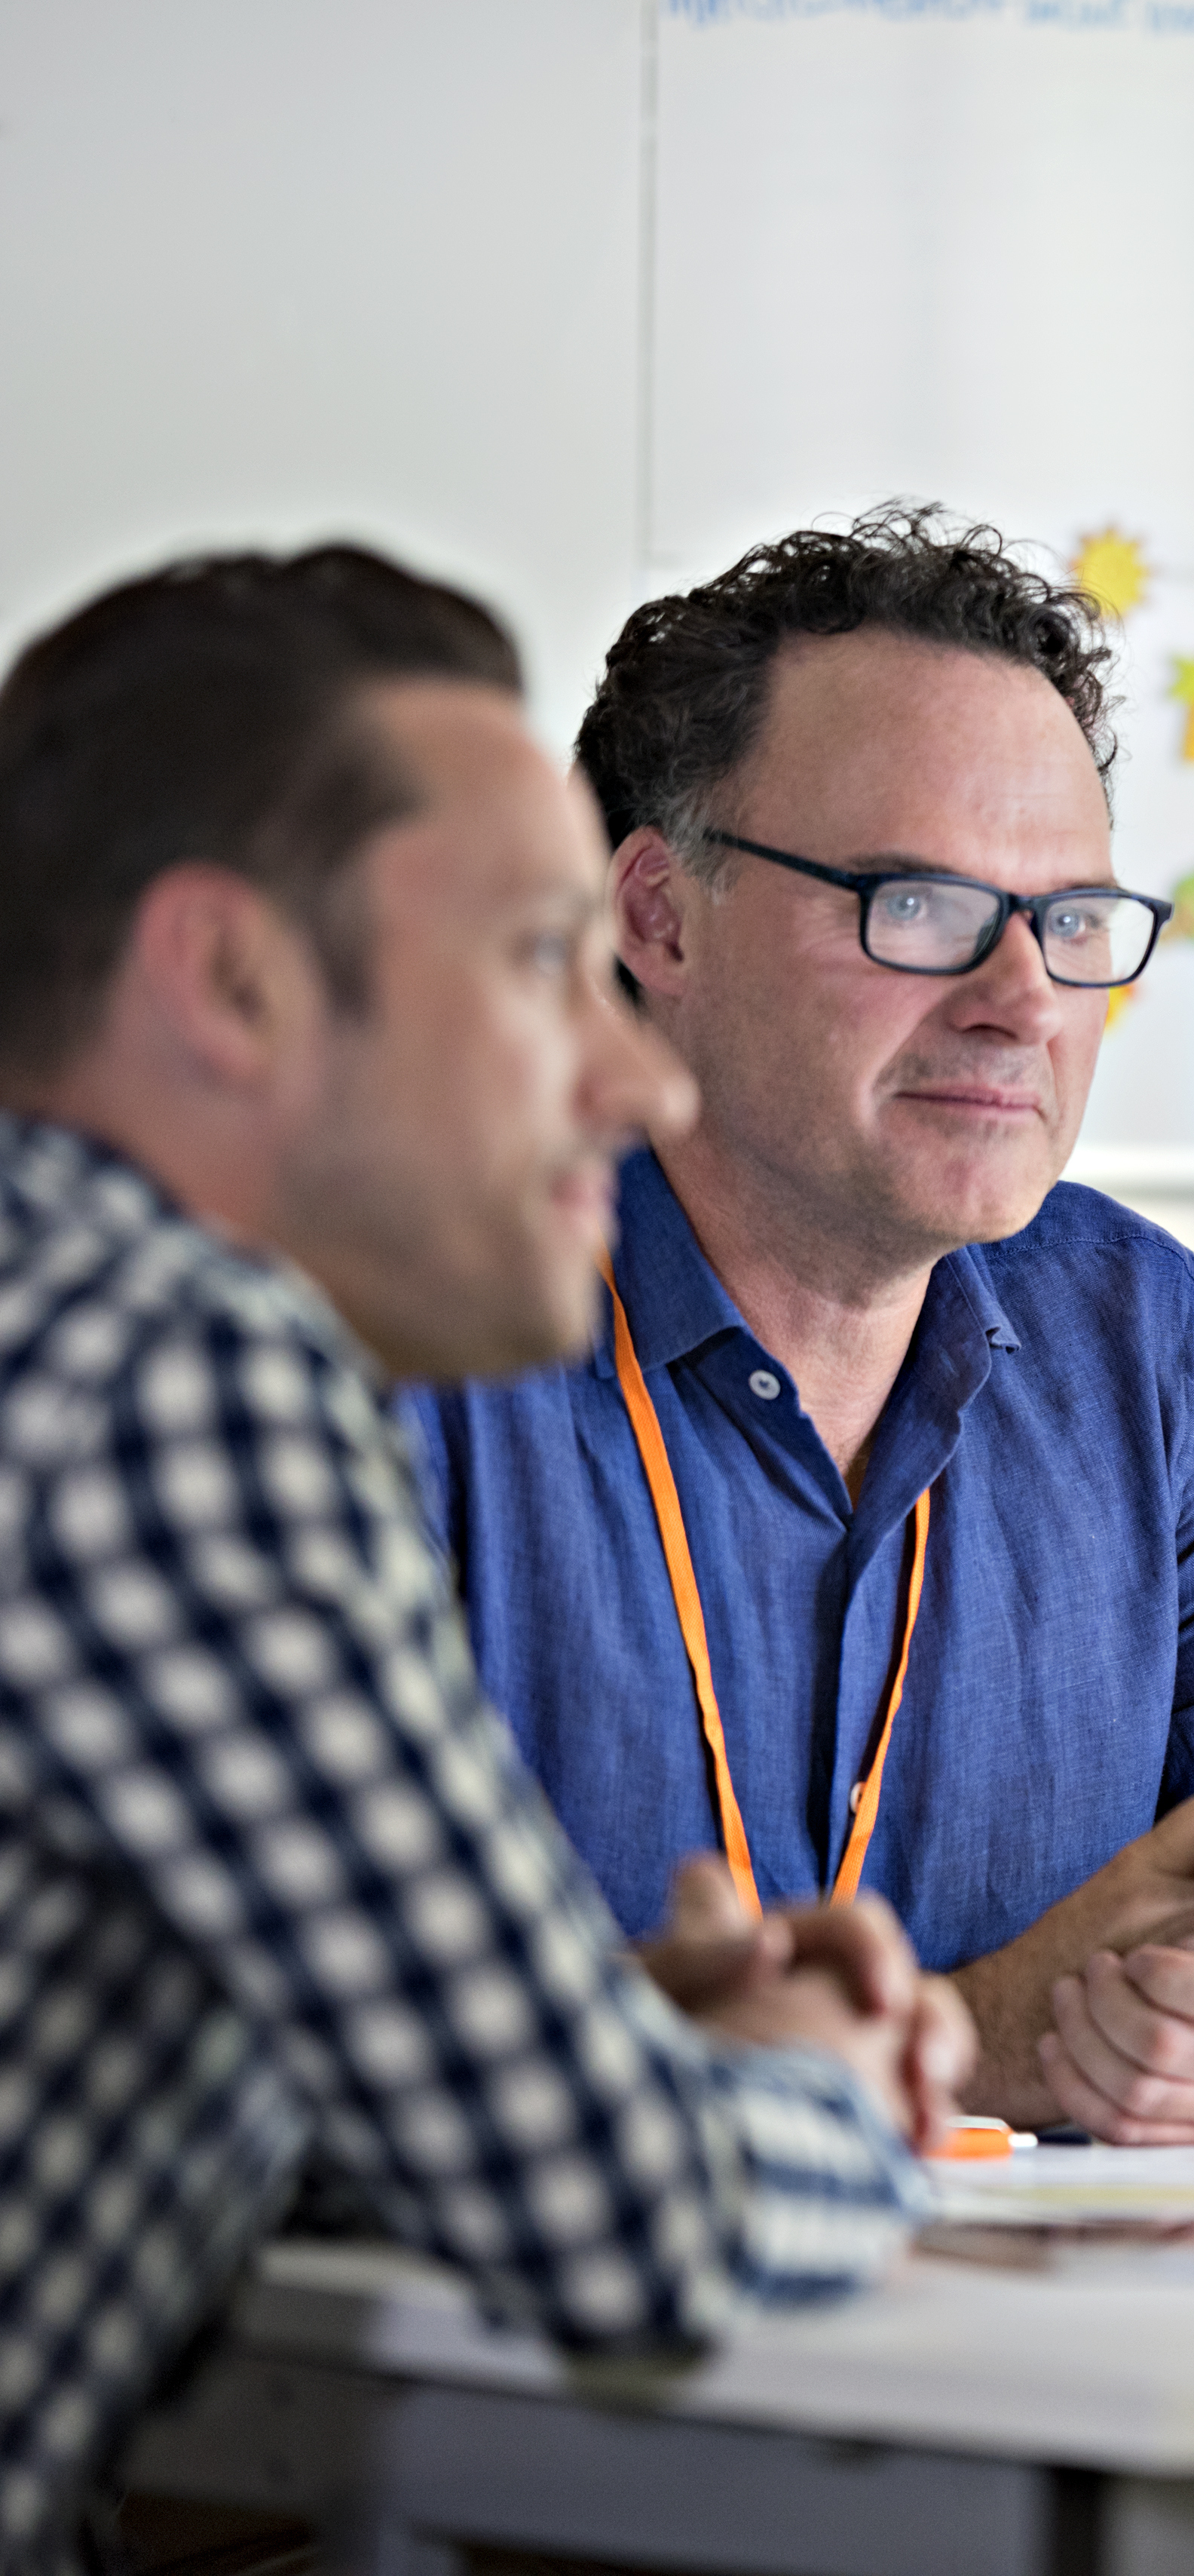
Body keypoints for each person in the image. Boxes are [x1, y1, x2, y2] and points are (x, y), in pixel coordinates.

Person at [0, 547, 971, 2570]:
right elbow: (630, 2230)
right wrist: (817, 2093)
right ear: (236, 983)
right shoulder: (169, 1365)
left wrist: (579, 2033)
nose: (633, 1078)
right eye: (542, 961)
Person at [403, 508, 1194, 2143]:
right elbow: (289, 2031)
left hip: (1057, 2371)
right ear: (658, 918)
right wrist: (975, 2039)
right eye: (917, 903)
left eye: (1072, 921)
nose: (1021, 1001)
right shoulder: (406, 1328)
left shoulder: (1134, 1337)